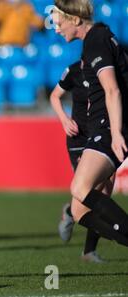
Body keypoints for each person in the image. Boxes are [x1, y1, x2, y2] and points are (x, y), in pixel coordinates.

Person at [52, 0, 128, 247]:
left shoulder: (96, 40)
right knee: (79, 210)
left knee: (80, 187)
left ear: (75, 19)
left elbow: (112, 89)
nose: (56, 28)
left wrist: (116, 133)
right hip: (102, 126)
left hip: (108, 126)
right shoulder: (97, 39)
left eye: (59, 22)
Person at [50, 61, 115, 262]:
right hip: (79, 139)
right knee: (91, 191)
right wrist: (64, 120)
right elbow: (54, 96)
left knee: (104, 193)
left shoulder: (109, 73)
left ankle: (88, 250)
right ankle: (71, 213)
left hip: (103, 136)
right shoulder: (74, 71)